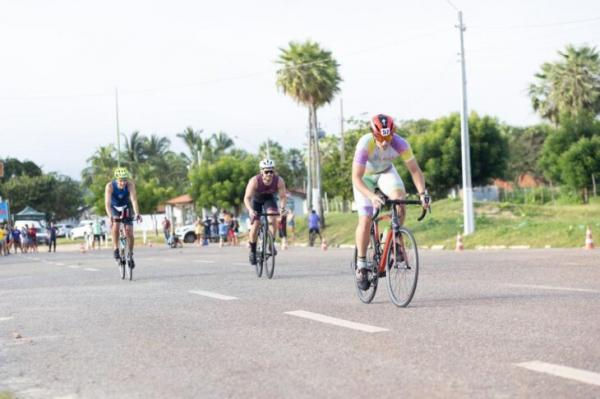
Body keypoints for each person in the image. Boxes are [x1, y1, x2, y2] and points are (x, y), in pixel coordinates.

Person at [352, 114, 430, 290]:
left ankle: (393, 237)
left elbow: (415, 171)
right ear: (373, 134)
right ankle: (361, 264)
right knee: (365, 219)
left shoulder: (401, 143)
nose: (385, 142)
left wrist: (422, 194)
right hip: (364, 178)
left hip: (386, 173)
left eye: (388, 137)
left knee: (400, 200)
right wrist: (371, 196)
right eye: (380, 137)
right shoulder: (365, 144)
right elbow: (356, 178)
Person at [243, 158, 287, 265]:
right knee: (256, 224)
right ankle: (253, 251)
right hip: (256, 201)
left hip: (269, 200)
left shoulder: (279, 181)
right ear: (261, 171)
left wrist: (282, 209)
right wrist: (250, 210)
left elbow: (283, 197)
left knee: (272, 217)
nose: (269, 174)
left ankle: (271, 243)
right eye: (266, 171)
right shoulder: (254, 181)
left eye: (271, 171)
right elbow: (247, 198)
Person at [105, 167, 142, 267]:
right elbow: (107, 204)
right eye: (121, 181)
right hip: (114, 208)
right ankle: (116, 249)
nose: (123, 183)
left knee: (129, 231)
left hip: (126, 207)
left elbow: (134, 200)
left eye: (125, 180)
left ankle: (130, 254)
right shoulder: (110, 186)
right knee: (116, 226)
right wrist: (110, 217)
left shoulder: (130, 185)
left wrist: (137, 213)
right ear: (116, 180)